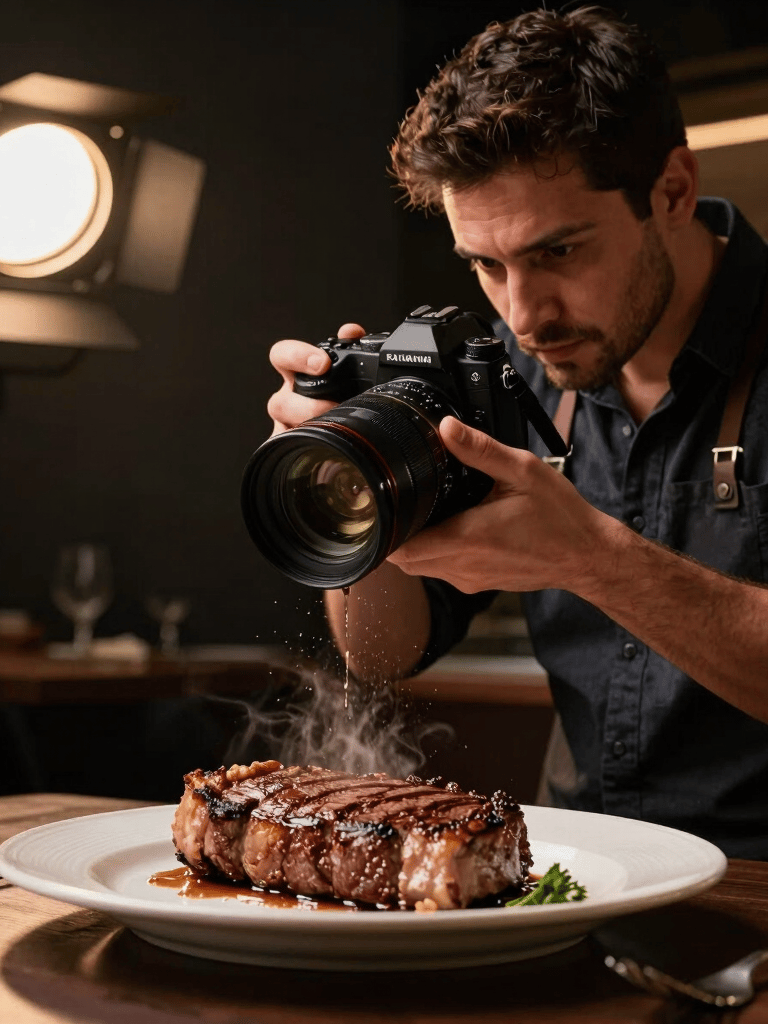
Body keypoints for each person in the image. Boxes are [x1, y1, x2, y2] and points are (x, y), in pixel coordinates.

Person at [267, 6, 768, 858]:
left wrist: (592, 557)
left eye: (560, 253)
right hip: (579, 874)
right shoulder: (504, 371)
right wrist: (356, 493)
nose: (524, 314)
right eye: (486, 265)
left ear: (673, 192)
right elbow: (380, 652)